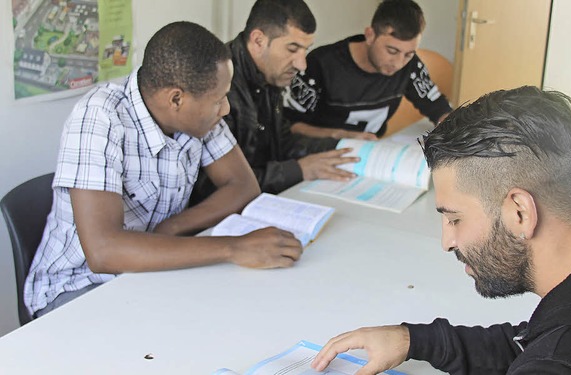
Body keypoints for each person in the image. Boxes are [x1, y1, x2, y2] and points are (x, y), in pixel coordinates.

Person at [310, 86, 571, 374]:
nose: (447, 242)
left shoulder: (568, 361)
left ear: (520, 212)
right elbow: (532, 342)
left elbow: (553, 353)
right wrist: (416, 341)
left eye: (455, 219)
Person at [24, 22, 304, 319]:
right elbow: (103, 251)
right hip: (79, 288)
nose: (225, 110)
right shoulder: (100, 117)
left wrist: (172, 228)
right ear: (176, 99)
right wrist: (232, 248)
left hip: (155, 268)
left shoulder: (198, 115)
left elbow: (243, 185)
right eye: (218, 100)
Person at [213, 0, 359, 195]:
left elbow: (284, 143)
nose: (302, 64)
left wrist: (343, 146)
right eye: (292, 49)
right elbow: (222, 185)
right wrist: (299, 170)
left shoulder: (271, 74)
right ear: (258, 41)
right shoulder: (217, 85)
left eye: (305, 50)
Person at [283, 0, 452, 140]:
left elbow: (438, 107)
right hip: (319, 156)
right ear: (370, 35)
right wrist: (338, 135)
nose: (399, 63)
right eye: (391, 51)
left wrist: (457, 132)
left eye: (408, 54)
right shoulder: (320, 64)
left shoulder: (410, 66)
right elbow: (291, 125)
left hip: (372, 155)